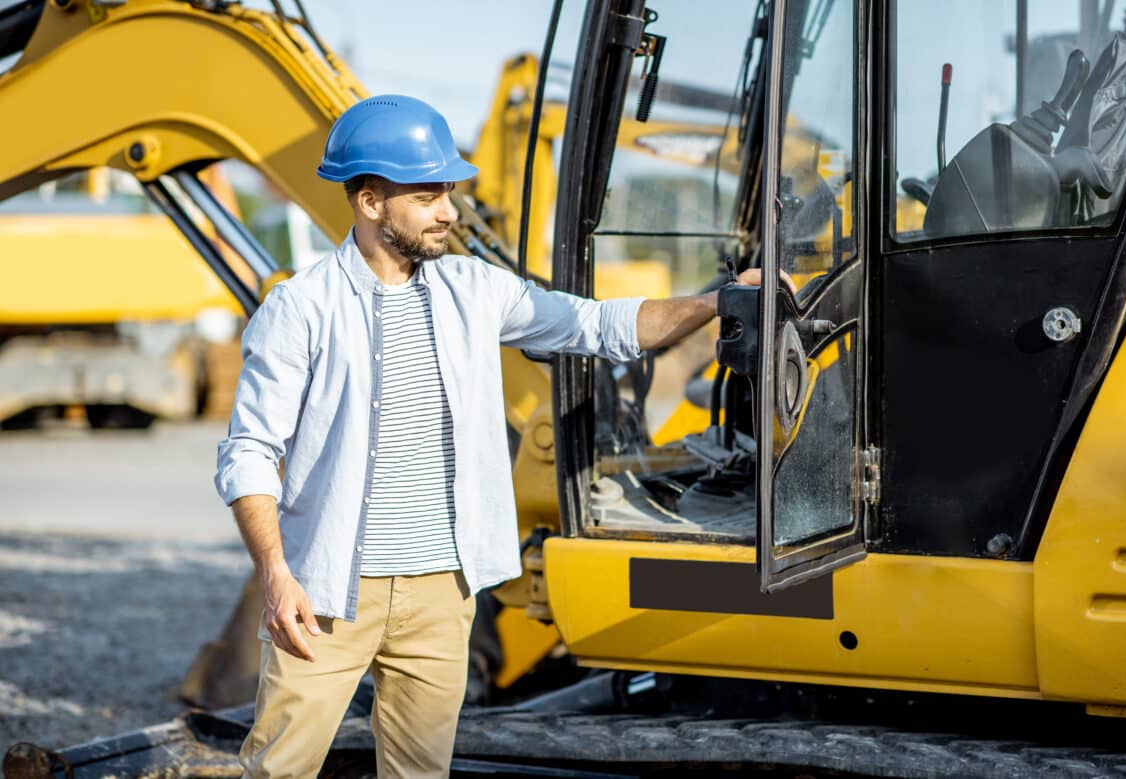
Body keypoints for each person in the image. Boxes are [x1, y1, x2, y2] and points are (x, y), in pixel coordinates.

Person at [214, 94, 763, 778]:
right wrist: (276, 575)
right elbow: (250, 452)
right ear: (370, 201)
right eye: (427, 196)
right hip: (325, 594)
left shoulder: (474, 290)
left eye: (449, 191)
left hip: (442, 593)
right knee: (278, 769)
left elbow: (599, 325)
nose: (448, 210)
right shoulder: (300, 309)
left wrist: (717, 301)